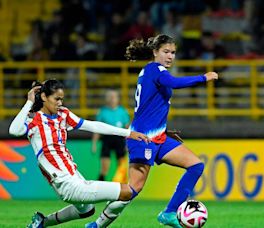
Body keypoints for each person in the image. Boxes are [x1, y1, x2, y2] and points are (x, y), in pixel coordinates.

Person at [86, 34, 218, 228]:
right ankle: (98, 223)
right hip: (143, 139)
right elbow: (174, 83)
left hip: (159, 137)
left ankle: (169, 212)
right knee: (133, 189)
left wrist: (164, 130)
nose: (170, 56)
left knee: (196, 165)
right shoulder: (155, 69)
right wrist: (203, 77)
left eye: (173, 52)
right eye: (166, 52)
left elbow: (152, 107)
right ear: (155, 52)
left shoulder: (152, 71)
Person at [8, 79, 150, 228]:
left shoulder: (63, 114)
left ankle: (42, 222)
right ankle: (96, 226)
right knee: (127, 192)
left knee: (86, 210)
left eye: (62, 99)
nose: (60, 103)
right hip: (65, 183)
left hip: (74, 175)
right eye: (56, 99)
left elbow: (92, 125)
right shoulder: (34, 120)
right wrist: (29, 102)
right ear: (44, 97)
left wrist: (128, 133)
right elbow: (14, 130)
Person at [92, 89, 130, 181]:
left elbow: (128, 129)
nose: (112, 99)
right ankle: (99, 188)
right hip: (107, 139)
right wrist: (94, 144)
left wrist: (128, 143)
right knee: (105, 167)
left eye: (114, 96)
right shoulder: (102, 111)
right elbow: (97, 129)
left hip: (119, 139)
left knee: (122, 166)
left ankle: (122, 189)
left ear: (117, 98)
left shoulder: (123, 111)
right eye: (110, 96)